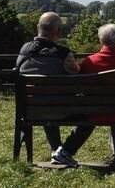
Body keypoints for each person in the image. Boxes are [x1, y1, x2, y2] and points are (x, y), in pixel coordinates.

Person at [51, 24, 115, 167]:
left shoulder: (89, 62)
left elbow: (81, 87)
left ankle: (65, 151)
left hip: (94, 114)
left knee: (88, 112)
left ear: (101, 41)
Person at [16, 12, 79, 156]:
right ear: (58, 31)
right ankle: (64, 152)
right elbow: (79, 76)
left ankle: (56, 150)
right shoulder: (63, 54)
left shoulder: (24, 50)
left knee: (44, 102)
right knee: (88, 112)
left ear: (38, 27)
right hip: (63, 111)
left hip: (29, 111)